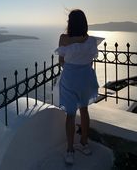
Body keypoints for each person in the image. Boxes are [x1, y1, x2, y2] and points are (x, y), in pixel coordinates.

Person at [55, 9, 104, 165]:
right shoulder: (91, 41)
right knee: (84, 110)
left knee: (70, 115)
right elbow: (90, 61)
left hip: (70, 79)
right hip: (87, 79)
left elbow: (61, 62)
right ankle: (84, 144)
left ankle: (70, 151)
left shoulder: (64, 39)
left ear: (70, 23)